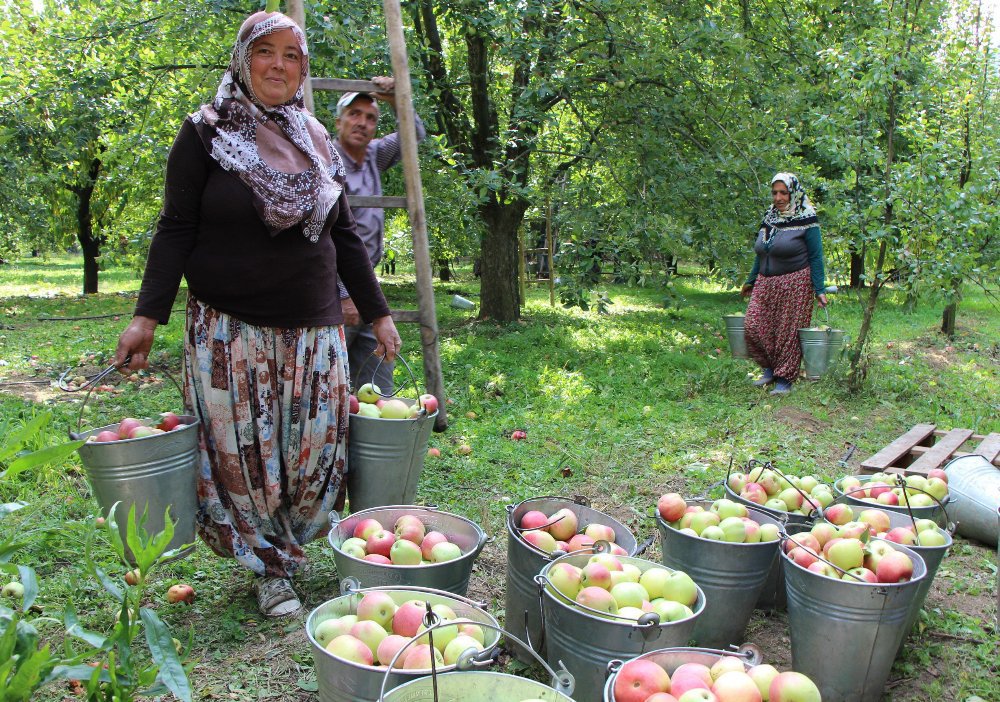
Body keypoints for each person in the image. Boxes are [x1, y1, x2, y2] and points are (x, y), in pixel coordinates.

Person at [113, 11, 401, 617]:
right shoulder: (205, 133)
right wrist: (147, 316)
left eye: (291, 55)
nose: (278, 65)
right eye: (265, 52)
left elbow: (343, 234)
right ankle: (267, 567)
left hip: (316, 325)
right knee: (245, 458)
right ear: (243, 59)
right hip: (230, 326)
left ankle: (295, 548)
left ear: (303, 68)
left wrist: (376, 313)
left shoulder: (317, 137)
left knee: (316, 451)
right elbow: (176, 227)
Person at [333, 80, 426, 392]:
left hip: (367, 290)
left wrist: (396, 100)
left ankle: (377, 435)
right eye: (354, 114)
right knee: (331, 386)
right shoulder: (325, 160)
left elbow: (414, 135)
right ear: (338, 122)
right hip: (333, 291)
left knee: (377, 385)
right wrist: (344, 293)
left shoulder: (372, 155)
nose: (362, 123)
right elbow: (323, 237)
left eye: (371, 118)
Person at [740, 173, 827, 395]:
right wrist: (750, 280)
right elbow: (760, 254)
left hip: (795, 282)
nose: (778, 197)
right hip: (765, 282)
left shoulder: (807, 218)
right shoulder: (769, 218)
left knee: (786, 333)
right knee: (753, 326)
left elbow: (816, 256)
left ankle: (784, 380)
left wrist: (819, 289)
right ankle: (769, 369)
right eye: (774, 193)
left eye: (783, 193)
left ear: (793, 193)